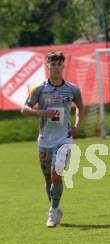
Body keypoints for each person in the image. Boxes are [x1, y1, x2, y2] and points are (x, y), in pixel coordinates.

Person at [21, 51, 84, 228]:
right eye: (53, 64)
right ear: (47, 66)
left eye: (59, 64)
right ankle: (55, 209)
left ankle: (52, 212)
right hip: (44, 140)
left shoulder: (72, 89)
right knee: (48, 179)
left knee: (57, 175)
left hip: (64, 139)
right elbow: (24, 109)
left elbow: (80, 106)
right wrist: (42, 112)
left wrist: (77, 124)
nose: (56, 67)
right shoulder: (39, 89)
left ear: (64, 65)